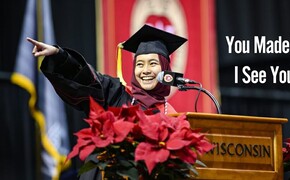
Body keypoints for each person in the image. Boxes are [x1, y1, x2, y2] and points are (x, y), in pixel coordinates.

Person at [27, 24, 187, 179]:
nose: (145, 70)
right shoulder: (116, 94)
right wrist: (59, 55)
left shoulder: (172, 115)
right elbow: (86, 79)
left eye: (153, 64)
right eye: (139, 64)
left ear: (165, 69)